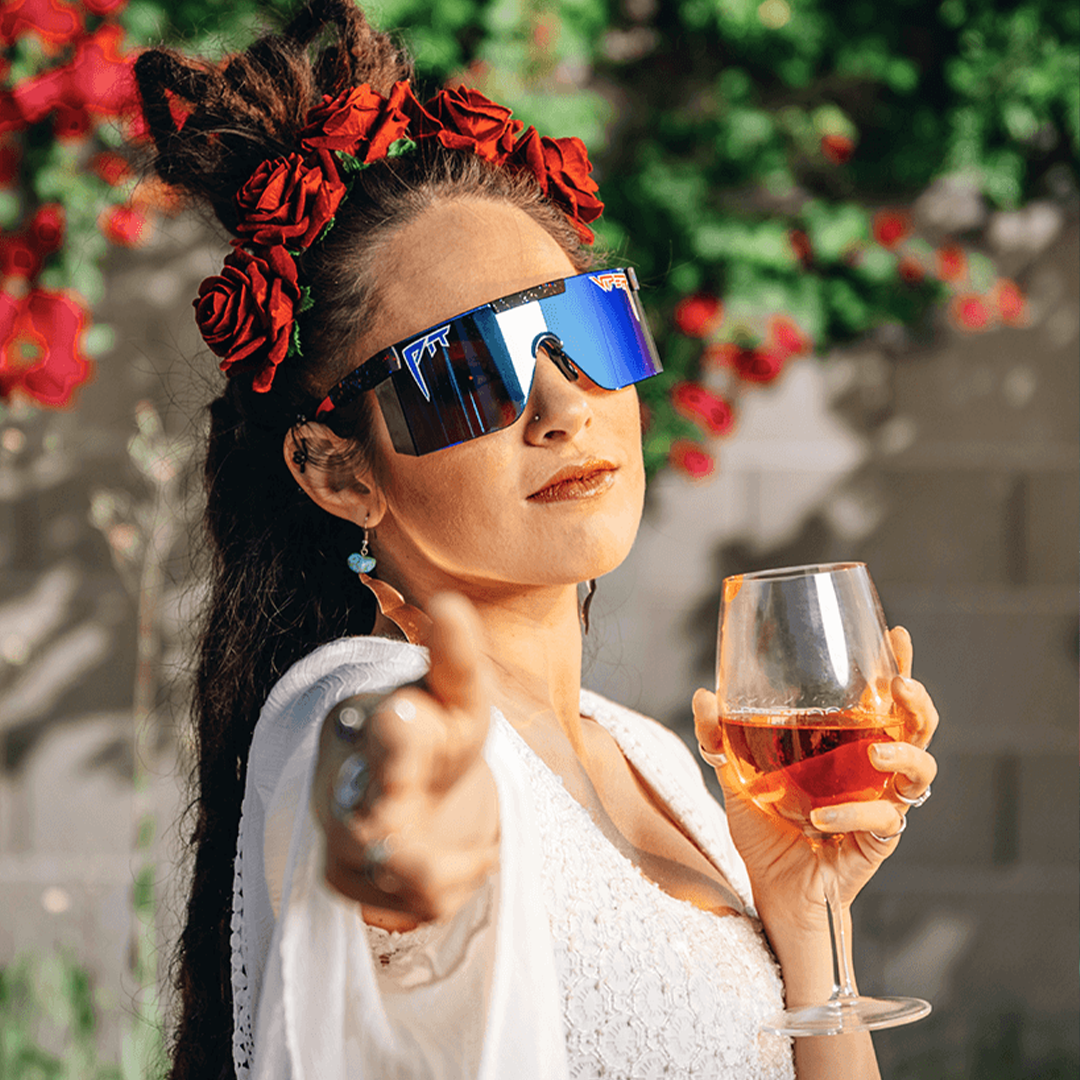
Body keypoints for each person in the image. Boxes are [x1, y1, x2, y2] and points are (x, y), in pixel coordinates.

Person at [133, 2, 940, 1078]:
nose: (566, 405)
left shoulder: (656, 759)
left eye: (591, 330)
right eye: (467, 371)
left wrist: (806, 915)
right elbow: (378, 768)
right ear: (339, 471)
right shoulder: (355, 701)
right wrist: (408, 844)